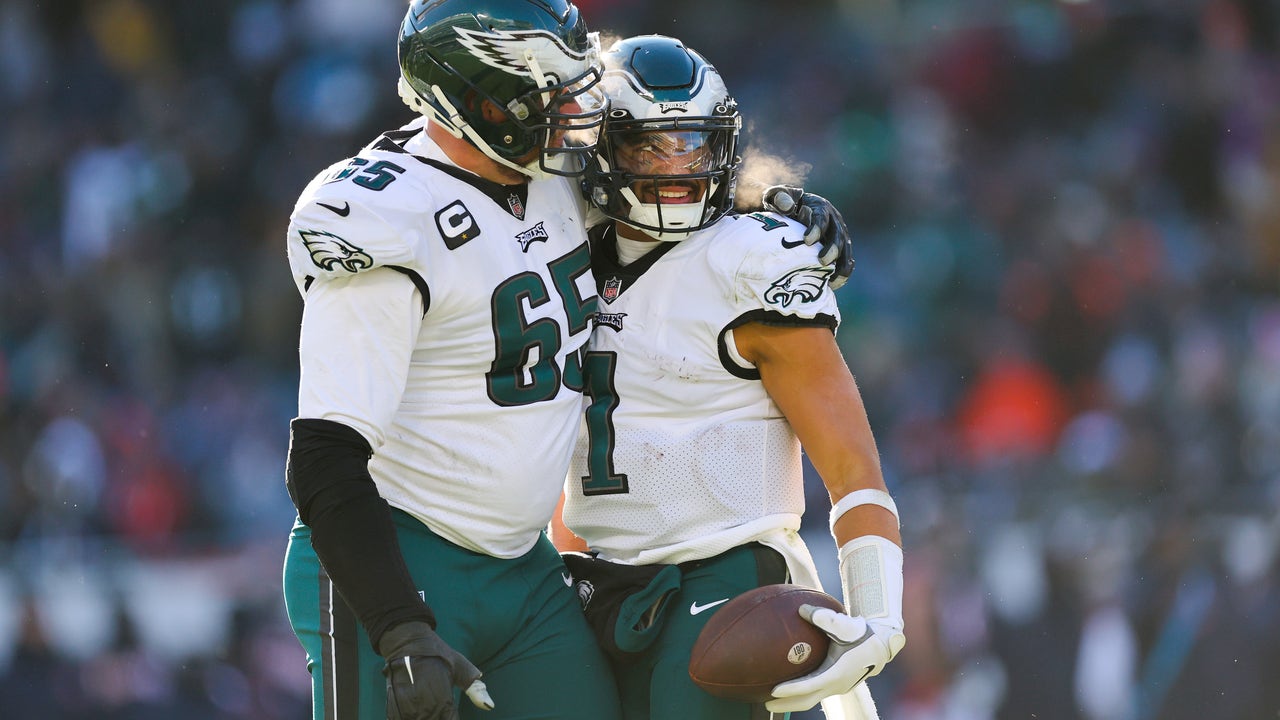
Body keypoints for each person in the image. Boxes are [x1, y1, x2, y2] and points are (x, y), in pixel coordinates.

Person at [280, 2, 853, 719]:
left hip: (525, 572)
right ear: (479, 100)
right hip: (399, 558)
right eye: (549, 93)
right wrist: (399, 625)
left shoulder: (548, 173)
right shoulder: (384, 215)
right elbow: (323, 458)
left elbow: (662, 183)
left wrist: (771, 203)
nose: (575, 112)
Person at [552, 36, 906, 720]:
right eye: (649, 147)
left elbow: (854, 468)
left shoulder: (753, 260)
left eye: (693, 145)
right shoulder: (563, 252)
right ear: (599, 151)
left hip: (723, 575)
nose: (676, 167)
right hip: (594, 579)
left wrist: (881, 616)